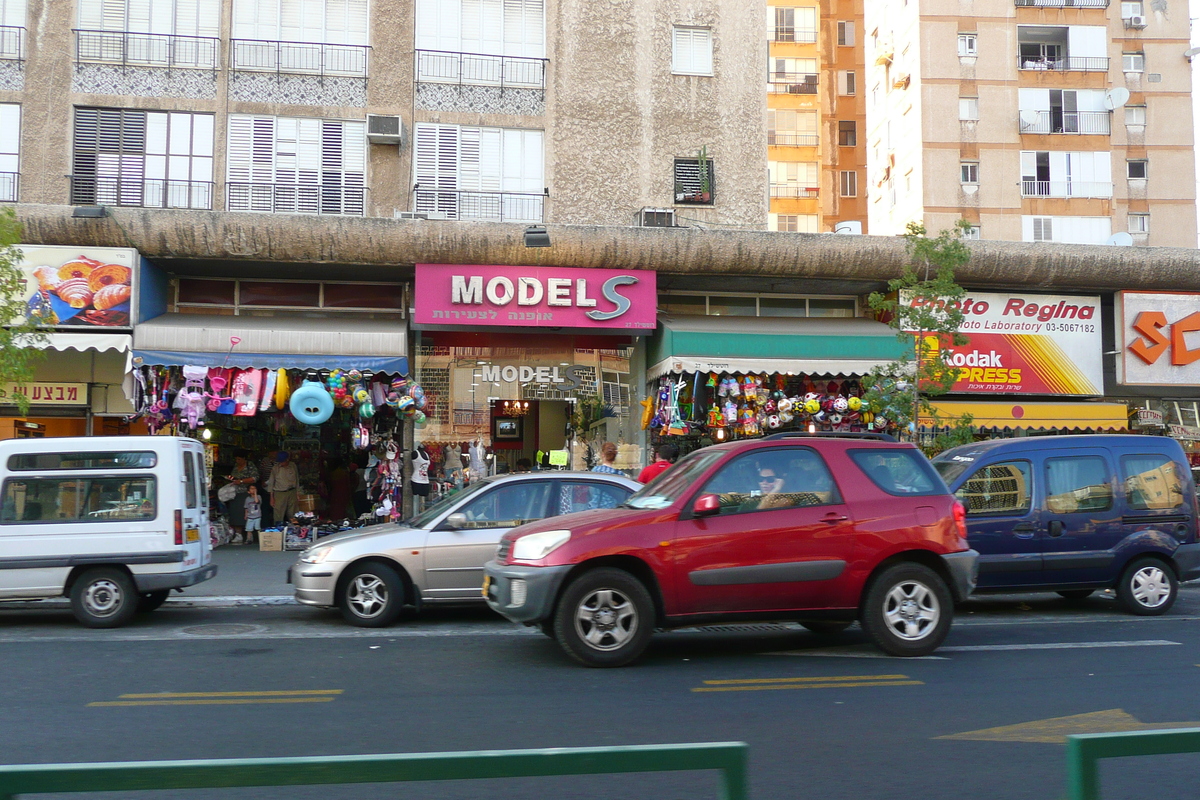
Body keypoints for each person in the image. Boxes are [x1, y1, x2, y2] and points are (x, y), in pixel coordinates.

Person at [224, 450, 258, 543]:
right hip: (235, 493)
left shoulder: (249, 466)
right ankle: (238, 534)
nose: (237, 461)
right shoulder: (236, 467)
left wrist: (242, 481)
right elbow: (234, 476)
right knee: (235, 514)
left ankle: (248, 535)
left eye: (239, 459)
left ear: (244, 458)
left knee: (247, 513)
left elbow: (254, 478)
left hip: (245, 493)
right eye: (236, 459)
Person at [267, 451, 299, 524]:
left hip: (292, 492)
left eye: (282, 462)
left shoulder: (293, 466)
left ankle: (295, 530)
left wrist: (297, 493)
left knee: (293, 514)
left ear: (287, 460)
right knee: (278, 515)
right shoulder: (275, 468)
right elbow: (271, 483)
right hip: (279, 493)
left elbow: (297, 479)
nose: (281, 463)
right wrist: (271, 498)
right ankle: (278, 531)